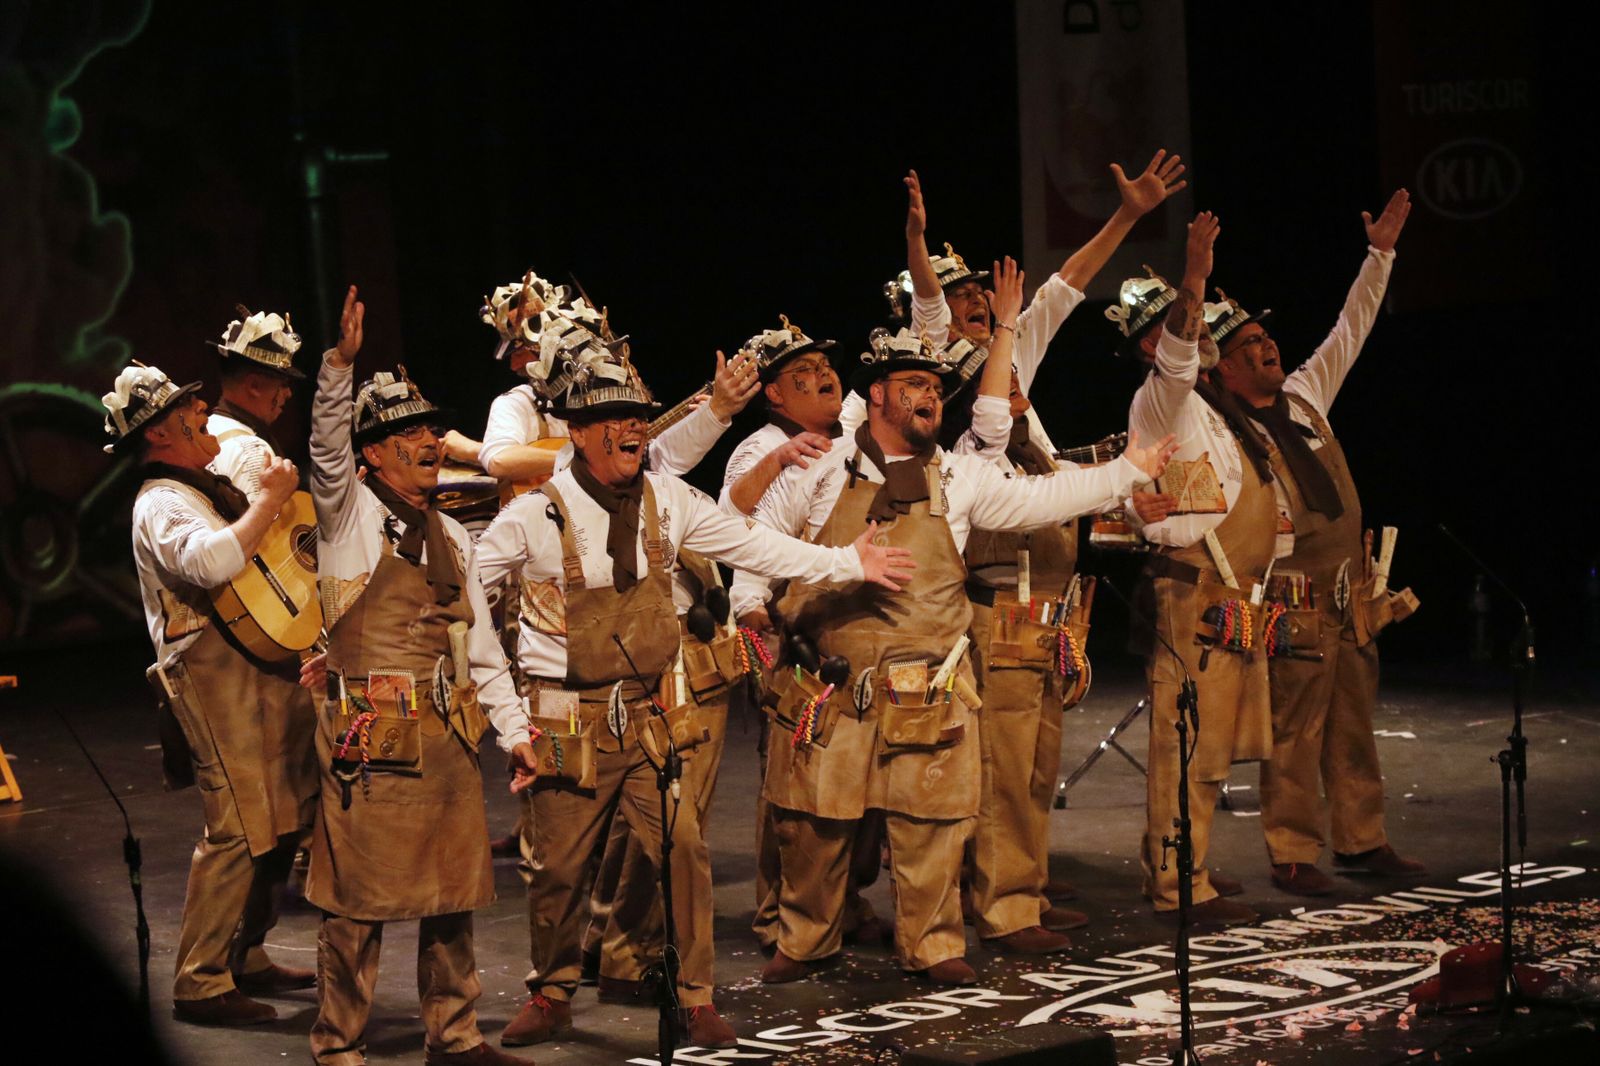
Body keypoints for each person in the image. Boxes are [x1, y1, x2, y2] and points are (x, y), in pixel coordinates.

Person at [475, 325, 912, 1048]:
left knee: (683, 849)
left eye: (640, 420)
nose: (633, 432)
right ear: (578, 434)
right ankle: (551, 992)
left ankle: (693, 995)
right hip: (565, 721)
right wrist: (508, 721)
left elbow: (752, 544)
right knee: (558, 872)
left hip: (650, 715)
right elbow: (469, 613)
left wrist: (845, 562)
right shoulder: (532, 516)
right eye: (615, 421)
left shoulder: (667, 500)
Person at [736, 316, 1174, 986]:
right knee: (815, 825)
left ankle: (934, 944)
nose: (930, 395)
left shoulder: (962, 477)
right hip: (834, 686)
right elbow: (759, 532)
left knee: (932, 826)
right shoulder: (823, 467)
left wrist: (1124, 474)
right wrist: (749, 607)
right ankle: (805, 938)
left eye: (936, 386)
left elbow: (1043, 496)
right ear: (876, 394)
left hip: (926, 687)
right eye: (913, 383)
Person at [903, 159, 1187, 954]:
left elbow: (1066, 282)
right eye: (958, 303)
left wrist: (1128, 219)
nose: (971, 309)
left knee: (1034, 765)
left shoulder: (1014, 360)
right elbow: (928, 306)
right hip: (995, 602)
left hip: (1049, 607)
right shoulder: (939, 380)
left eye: (977, 302)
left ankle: (1020, 885)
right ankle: (1003, 905)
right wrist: (918, 244)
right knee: (999, 766)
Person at [304, 285, 534, 1066]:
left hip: (444, 737)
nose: (430, 441)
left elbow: (480, 649)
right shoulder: (348, 517)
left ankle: (457, 1036)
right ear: (373, 454)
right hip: (372, 740)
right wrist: (339, 366)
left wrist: (516, 732)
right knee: (355, 904)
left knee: (454, 894)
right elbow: (327, 448)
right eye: (408, 434)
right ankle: (338, 1045)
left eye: (433, 428)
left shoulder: (453, 535)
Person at [1205, 189, 1427, 896]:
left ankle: (1363, 840)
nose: (1268, 347)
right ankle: (1293, 852)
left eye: (1266, 339)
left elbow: (1351, 327)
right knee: (1294, 731)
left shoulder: (1303, 397)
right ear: (1225, 371)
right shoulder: (1221, 429)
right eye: (1249, 346)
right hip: (1292, 601)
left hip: (1349, 593)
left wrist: (1380, 256)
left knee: (1354, 724)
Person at [106, 363, 318, 1026]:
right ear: (162, 433)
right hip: (209, 678)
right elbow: (209, 562)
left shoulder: (204, 482)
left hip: (259, 663)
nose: (203, 415)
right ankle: (200, 980)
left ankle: (244, 952)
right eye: (188, 412)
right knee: (235, 828)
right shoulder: (160, 501)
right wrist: (268, 504)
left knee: (283, 819)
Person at [1118, 211, 1279, 927]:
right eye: (1185, 324)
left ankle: (1194, 862)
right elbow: (1183, 350)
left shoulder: (1208, 407)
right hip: (1192, 590)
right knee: (1186, 743)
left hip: (1230, 592)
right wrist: (1193, 275)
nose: (1203, 330)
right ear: (1153, 344)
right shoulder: (1163, 393)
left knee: (1212, 747)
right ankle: (1175, 880)